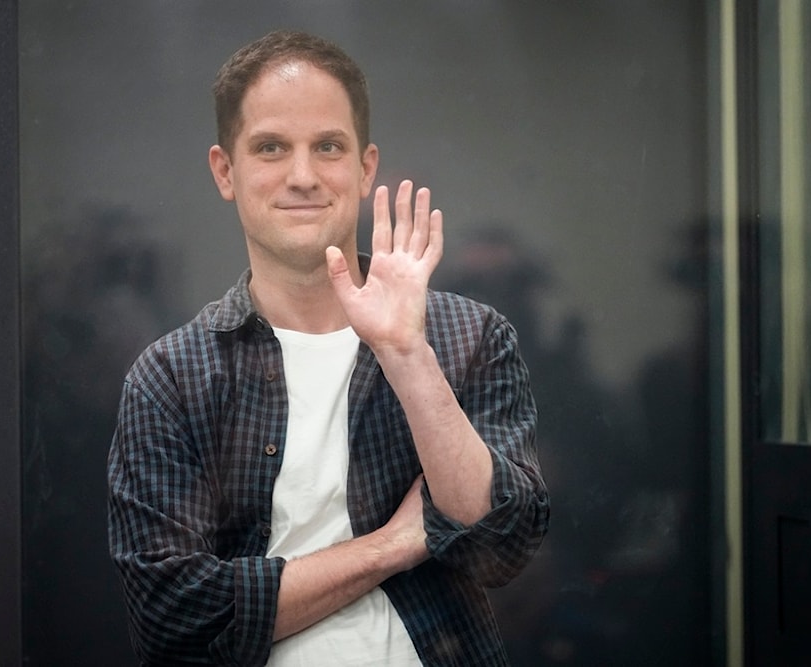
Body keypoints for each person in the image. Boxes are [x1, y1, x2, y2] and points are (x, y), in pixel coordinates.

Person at [107, 29, 549, 666]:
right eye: (270, 148)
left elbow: (502, 547)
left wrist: (406, 352)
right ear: (225, 171)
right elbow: (172, 620)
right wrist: (394, 545)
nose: (304, 175)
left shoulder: (468, 337)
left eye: (328, 146)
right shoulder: (173, 376)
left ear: (366, 168)